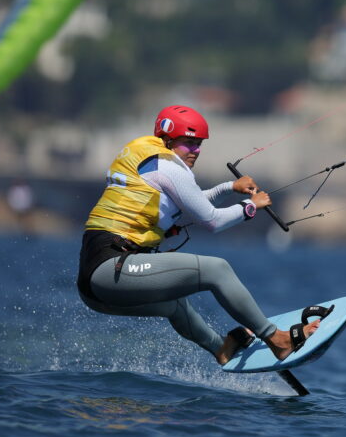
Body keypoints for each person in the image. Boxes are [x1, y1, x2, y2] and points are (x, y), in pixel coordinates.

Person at [76, 105, 321, 365]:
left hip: (94, 286)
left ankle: (221, 349)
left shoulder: (147, 159)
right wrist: (251, 207)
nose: (195, 151)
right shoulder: (168, 166)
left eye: (199, 144)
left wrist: (229, 187)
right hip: (112, 269)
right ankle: (277, 340)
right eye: (189, 143)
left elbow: (192, 205)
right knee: (217, 269)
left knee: (174, 304)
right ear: (168, 139)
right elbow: (212, 220)